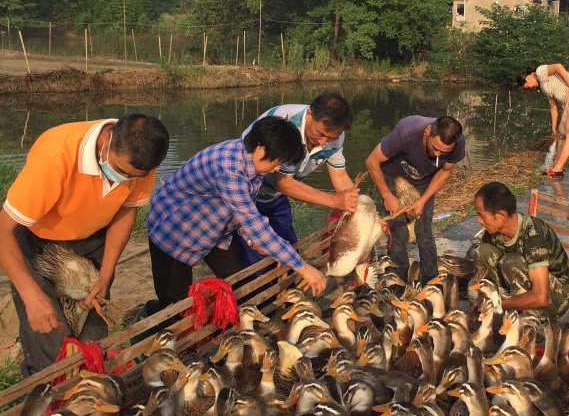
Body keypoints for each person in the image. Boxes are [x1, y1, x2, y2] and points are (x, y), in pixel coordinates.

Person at [0, 114, 170, 376]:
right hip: (38, 238)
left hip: (94, 234)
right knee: (49, 330)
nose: (125, 179)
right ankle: (48, 393)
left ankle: (90, 388)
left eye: (135, 176)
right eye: (121, 171)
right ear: (105, 140)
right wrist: (31, 296)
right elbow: (2, 230)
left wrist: (106, 274)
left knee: (94, 325)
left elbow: (127, 209)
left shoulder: (143, 157)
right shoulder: (56, 156)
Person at [146, 116, 327, 309]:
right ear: (260, 148)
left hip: (213, 228)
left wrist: (255, 242)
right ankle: (149, 313)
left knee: (241, 284)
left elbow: (244, 215)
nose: (276, 169)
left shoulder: (252, 163)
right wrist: (303, 267)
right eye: (276, 163)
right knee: (177, 305)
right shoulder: (229, 169)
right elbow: (253, 223)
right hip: (173, 228)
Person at [237, 92, 359, 262]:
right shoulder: (286, 126)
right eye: (321, 134)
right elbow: (285, 184)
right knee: (257, 257)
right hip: (246, 194)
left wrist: (359, 209)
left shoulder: (335, 137)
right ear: (310, 115)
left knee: (290, 250)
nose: (324, 142)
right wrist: (334, 201)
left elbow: (340, 178)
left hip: (275, 195)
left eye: (332, 138)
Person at [366, 115, 466, 284]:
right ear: (428, 132)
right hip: (394, 174)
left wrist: (423, 199)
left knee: (424, 230)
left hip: (425, 180)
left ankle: (431, 281)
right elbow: (371, 161)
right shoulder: (406, 134)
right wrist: (387, 195)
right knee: (397, 231)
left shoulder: (457, 143)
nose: (437, 155)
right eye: (435, 148)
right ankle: (398, 280)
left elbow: (445, 172)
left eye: (444, 152)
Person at [473, 181, 569, 318]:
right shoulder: (492, 232)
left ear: (501, 215)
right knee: (482, 251)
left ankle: (530, 320)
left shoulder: (534, 236)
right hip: (518, 285)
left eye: (482, 215)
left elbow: (540, 297)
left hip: (557, 297)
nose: (479, 220)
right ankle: (507, 309)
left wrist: (498, 305)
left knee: (510, 262)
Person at [516, 63, 569, 177]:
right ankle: (557, 166)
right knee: (561, 135)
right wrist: (554, 127)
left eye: (527, 86)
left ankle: (558, 168)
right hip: (568, 102)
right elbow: (553, 107)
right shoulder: (544, 86)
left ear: (527, 78)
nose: (531, 88)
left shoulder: (540, 72)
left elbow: (558, 67)